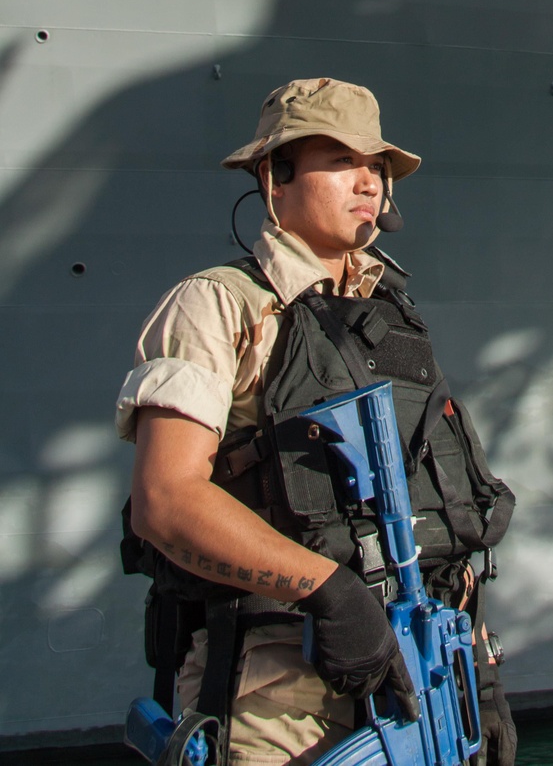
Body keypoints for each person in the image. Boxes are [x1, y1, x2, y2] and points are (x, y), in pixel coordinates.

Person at [116, 77, 516, 766]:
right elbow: (165, 500)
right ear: (275, 176)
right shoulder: (219, 305)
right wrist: (329, 592)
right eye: (341, 161)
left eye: (377, 166)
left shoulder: (392, 315)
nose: (369, 182)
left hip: (423, 673)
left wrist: (476, 666)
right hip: (278, 690)